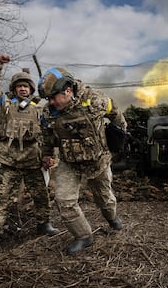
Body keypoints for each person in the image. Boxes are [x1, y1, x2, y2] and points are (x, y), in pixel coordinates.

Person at [38, 67, 127, 255]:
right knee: (64, 201)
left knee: (105, 200)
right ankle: (84, 236)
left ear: (68, 91)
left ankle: (111, 217)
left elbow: (115, 112)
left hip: (98, 161)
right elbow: (47, 136)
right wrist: (47, 154)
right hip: (70, 163)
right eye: (49, 99)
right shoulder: (49, 112)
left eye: (54, 97)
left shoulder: (94, 100)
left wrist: (120, 132)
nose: (51, 102)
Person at [0, 53, 60, 253]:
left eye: (26, 86)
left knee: (41, 195)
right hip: (9, 161)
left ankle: (44, 224)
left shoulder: (40, 109)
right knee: (1, 197)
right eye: (19, 86)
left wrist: (49, 156)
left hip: (33, 160)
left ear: (31, 89)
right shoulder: (4, 105)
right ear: (14, 89)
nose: (23, 88)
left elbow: (48, 133)